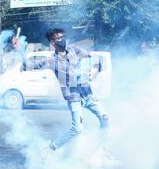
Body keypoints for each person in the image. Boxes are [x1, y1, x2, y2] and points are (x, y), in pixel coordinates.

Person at [27, 28, 109, 158]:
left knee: (105, 119)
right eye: (59, 38)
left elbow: (98, 60)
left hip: (88, 94)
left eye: (63, 36)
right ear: (52, 42)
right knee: (77, 129)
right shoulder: (51, 61)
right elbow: (29, 65)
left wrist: (94, 69)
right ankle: (50, 149)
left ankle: (102, 151)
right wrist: (18, 52)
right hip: (74, 98)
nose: (63, 40)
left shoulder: (75, 50)